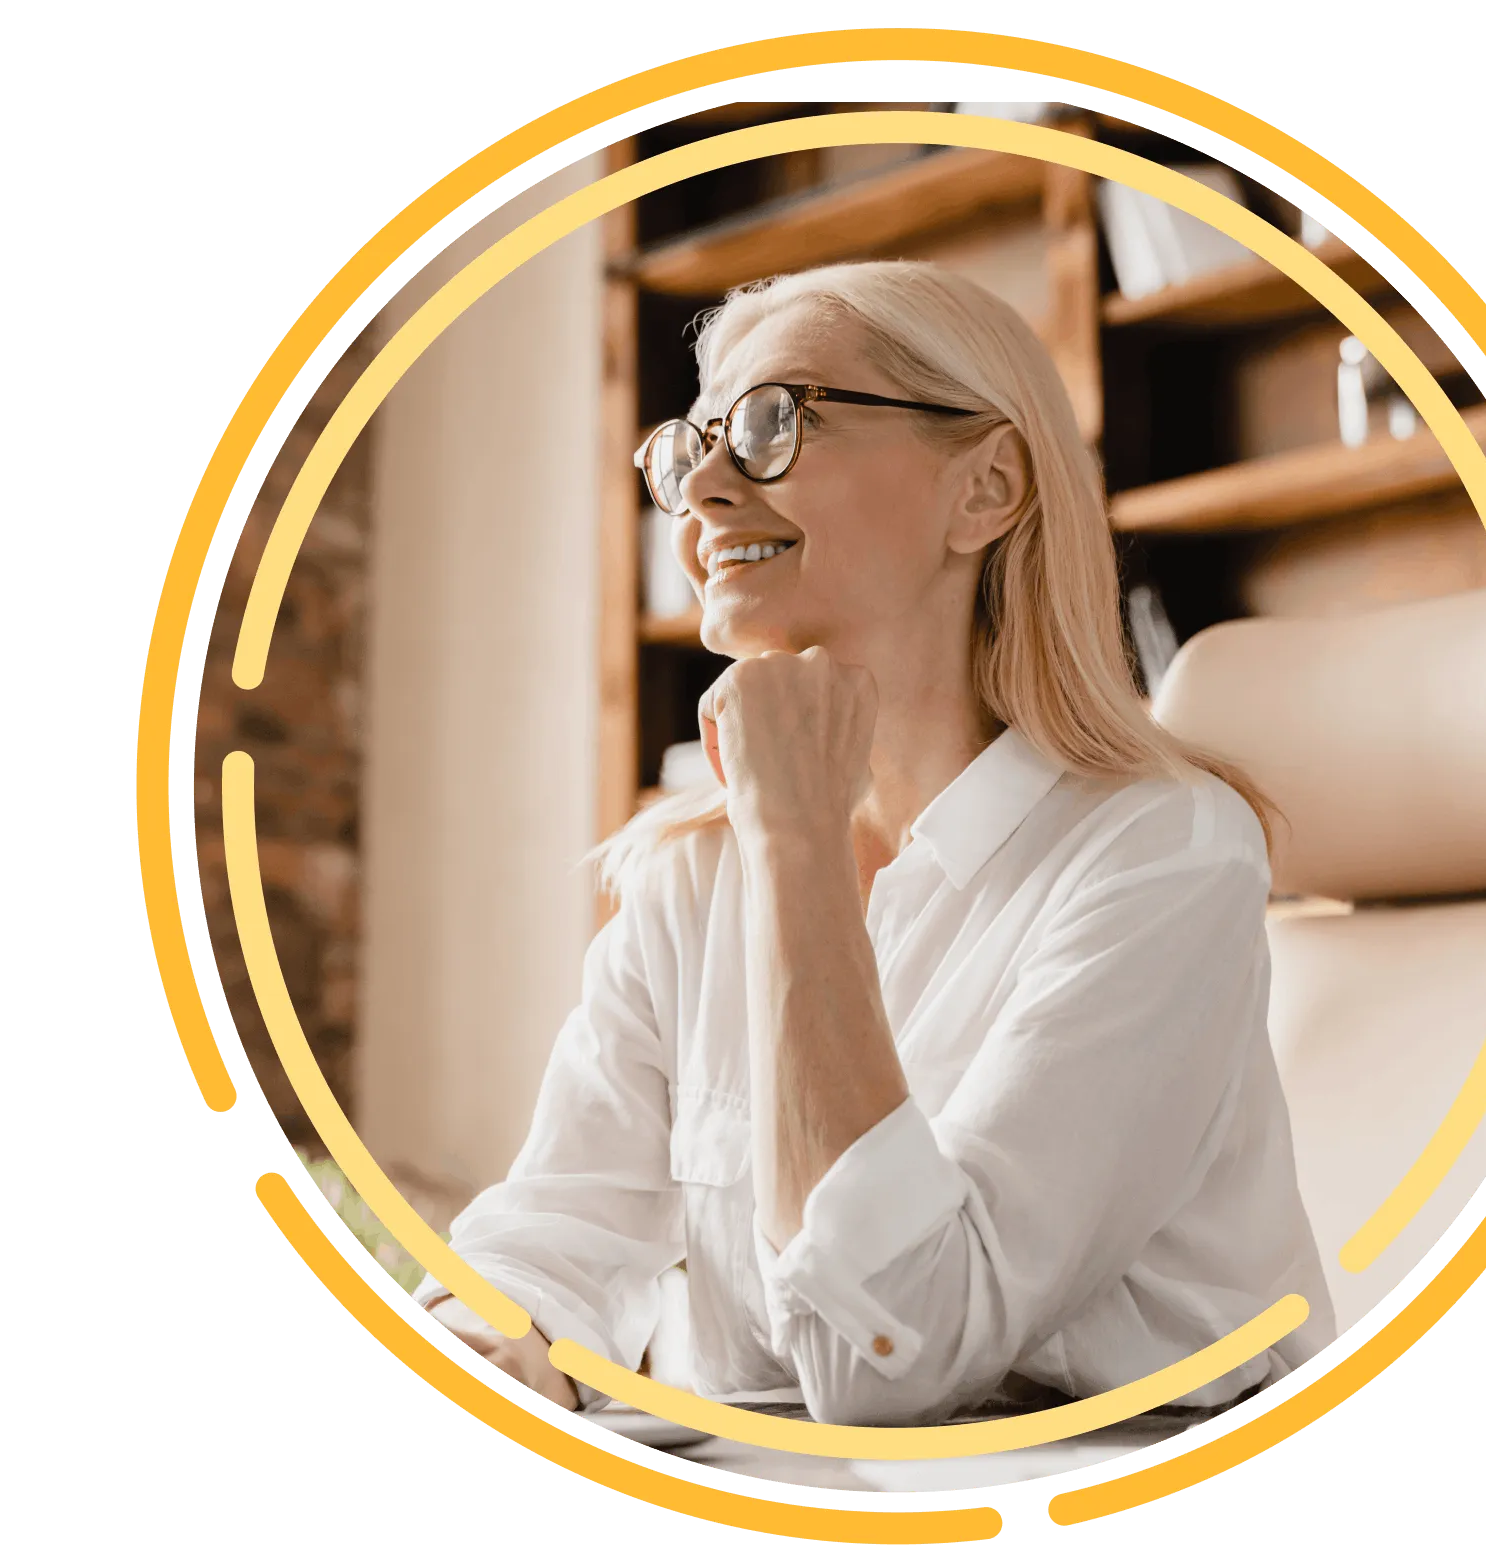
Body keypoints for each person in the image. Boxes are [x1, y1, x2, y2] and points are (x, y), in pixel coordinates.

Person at [415, 259, 1335, 1427]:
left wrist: (797, 845)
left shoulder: (1161, 855)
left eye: (772, 422)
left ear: (984, 488)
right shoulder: (686, 874)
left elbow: (896, 1355)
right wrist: (489, 1342)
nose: (702, 490)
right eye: (691, 448)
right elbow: (550, 1239)